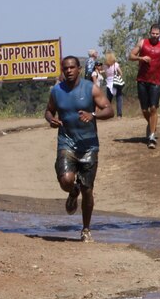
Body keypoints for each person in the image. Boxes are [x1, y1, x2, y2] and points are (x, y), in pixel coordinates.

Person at [44, 55, 114, 242]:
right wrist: (51, 120)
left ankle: (85, 229)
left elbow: (109, 110)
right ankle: (72, 192)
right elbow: (48, 110)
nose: (68, 71)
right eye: (65, 68)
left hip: (89, 145)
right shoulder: (56, 91)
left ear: (79, 69)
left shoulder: (90, 88)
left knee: (88, 189)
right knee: (66, 180)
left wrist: (93, 115)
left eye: (72, 68)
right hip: (66, 142)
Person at [129, 24, 160, 149]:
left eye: (157, 34)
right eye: (153, 33)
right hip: (142, 80)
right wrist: (141, 57)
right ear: (150, 33)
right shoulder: (143, 43)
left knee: (153, 108)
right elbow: (130, 56)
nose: (155, 36)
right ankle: (152, 124)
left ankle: (152, 136)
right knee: (145, 110)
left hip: (156, 81)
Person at [103, 51, 124, 118]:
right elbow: (121, 73)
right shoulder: (116, 64)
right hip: (116, 83)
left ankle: (107, 114)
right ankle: (119, 115)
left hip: (109, 83)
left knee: (108, 100)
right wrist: (118, 77)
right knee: (119, 99)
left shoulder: (104, 66)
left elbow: (105, 74)